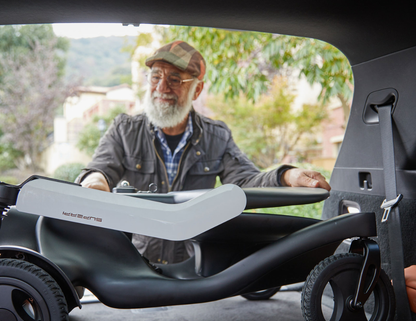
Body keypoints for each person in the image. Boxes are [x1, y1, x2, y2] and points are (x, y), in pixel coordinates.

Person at [77, 40, 330, 264]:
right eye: (155, 77)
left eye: (174, 79)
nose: (161, 87)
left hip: (195, 267)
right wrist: (94, 182)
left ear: (197, 90)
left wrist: (287, 176)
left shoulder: (217, 135)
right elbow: (99, 170)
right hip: (137, 264)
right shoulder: (124, 129)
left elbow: (244, 181)